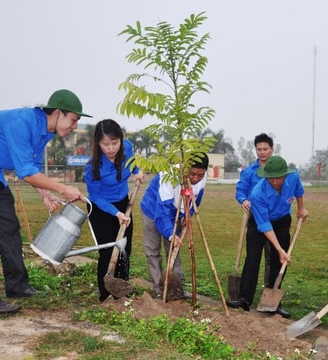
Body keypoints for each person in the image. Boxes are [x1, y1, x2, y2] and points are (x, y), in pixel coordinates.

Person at [0, 89, 91, 315]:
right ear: (58, 112)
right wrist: (62, 188)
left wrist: (44, 193)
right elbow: (25, 171)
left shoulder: (46, 132)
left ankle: (18, 285)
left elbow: (30, 168)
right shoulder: (22, 123)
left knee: (8, 227)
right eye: (73, 120)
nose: (73, 126)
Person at [226, 155, 308, 319]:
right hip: (260, 222)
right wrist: (279, 249)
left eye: (279, 178)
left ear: (285, 175)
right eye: (272, 179)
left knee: (280, 261)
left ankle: (273, 301)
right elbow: (264, 226)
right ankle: (244, 298)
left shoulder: (293, 178)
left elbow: (298, 191)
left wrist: (301, 208)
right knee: (253, 257)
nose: (276, 182)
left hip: (282, 220)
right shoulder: (257, 193)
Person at [84, 119, 143, 303]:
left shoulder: (127, 147)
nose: (111, 148)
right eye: (105, 144)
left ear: (121, 140)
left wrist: (137, 171)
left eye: (114, 143)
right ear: (98, 144)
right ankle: (106, 295)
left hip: (123, 203)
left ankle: (122, 289)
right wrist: (116, 214)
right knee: (109, 251)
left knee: (125, 249)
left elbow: (133, 164)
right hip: (101, 209)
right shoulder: (92, 167)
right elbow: (96, 197)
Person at [140, 154, 209, 298]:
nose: (196, 179)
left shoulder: (203, 176)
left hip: (176, 212)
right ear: (184, 169)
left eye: (200, 175)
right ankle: (159, 288)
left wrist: (187, 214)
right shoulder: (169, 176)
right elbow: (162, 212)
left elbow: (197, 196)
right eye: (192, 174)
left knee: (174, 250)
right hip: (153, 210)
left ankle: (178, 287)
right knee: (153, 250)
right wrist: (171, 234)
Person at [235, 133, 274, 288]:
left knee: (273, 256)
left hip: (274, 217)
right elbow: (240, 190)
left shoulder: (278, 169)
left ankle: (270, 288)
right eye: (259, 149)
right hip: (255, 217)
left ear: (272, 149)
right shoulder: (249, 171)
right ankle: (247, 290)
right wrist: (243, 200)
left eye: (265, 149)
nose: (262, 152)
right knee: (253, 255)